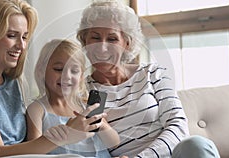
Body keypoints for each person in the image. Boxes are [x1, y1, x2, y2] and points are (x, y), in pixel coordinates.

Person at [0, 0, 98, 157]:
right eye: (12, 36)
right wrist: (65, 135)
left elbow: (23, 144)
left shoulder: (11, 81)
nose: (21, 46)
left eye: (25, 37)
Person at [76, 0, 221, 158]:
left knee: (196, 144)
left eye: (112, 39)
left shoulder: (153, 73)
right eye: (95, 38)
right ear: (85, 41)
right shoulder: (82, 90)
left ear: (127, 43)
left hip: (170, 155)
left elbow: (178, 126)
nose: (102, 47)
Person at [26, 39, 120, 157]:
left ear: (81, 76)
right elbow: (32, 152)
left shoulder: (86, 106)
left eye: (74, 71)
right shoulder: (38, 109)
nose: (67, 76)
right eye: (59, 69)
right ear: (41, 71)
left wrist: (102, 125)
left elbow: (114, 143)